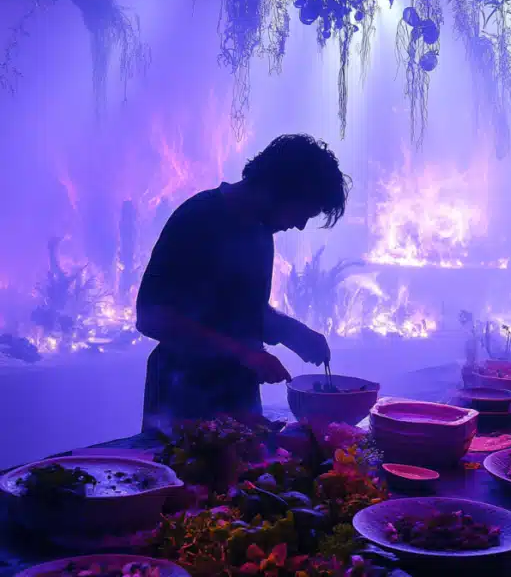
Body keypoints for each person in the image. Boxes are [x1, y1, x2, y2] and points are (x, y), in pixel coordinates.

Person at [136, 134, 350, 432]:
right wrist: (244, 353)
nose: (300, 225)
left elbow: (244, 310)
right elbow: (151, 316)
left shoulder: (261, 232)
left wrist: (291, 331)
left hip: (238, 402)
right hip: (181, 402)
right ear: (279, 189)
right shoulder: (197, 219)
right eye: (303, 212)